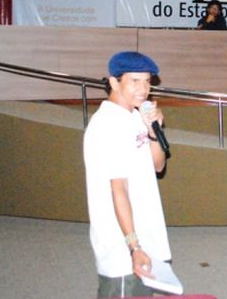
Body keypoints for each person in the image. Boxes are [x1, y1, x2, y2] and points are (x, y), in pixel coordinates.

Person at [84, 51, 171, 298]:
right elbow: (118, 189)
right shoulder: (107, 124)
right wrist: (134, 247)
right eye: (135, 81)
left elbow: (158, 166)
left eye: (147, 81)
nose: (144, 89)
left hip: (144, 234)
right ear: (114, 82)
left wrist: (153, 131)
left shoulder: (135, 116)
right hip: (122, 247)